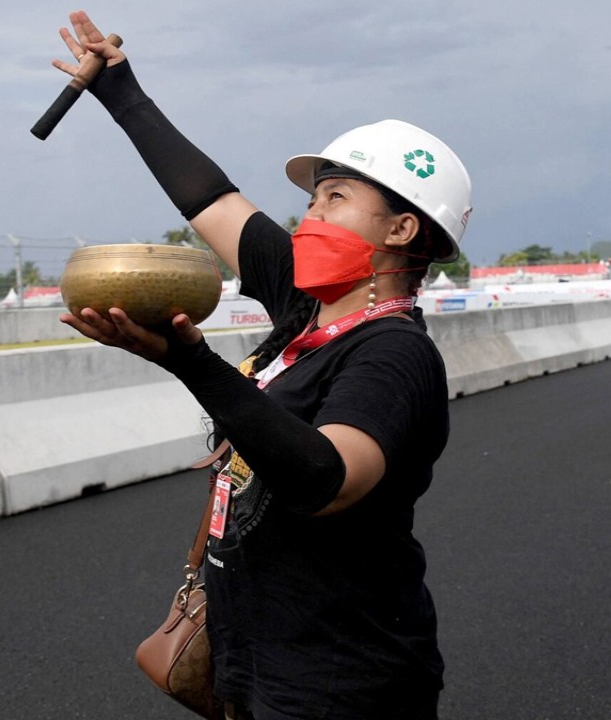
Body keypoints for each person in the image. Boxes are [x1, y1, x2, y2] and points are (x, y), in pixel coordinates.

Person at [49, 11, 472, 720]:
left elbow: (324, 478)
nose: (308, 217)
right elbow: (209, 197)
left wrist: (192, 363)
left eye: (335, 199)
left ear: (401, 230)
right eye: (310, 199)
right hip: (256, 664)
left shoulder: (395, 354)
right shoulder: (303, 303)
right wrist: (120, 88)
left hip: (341, 682)